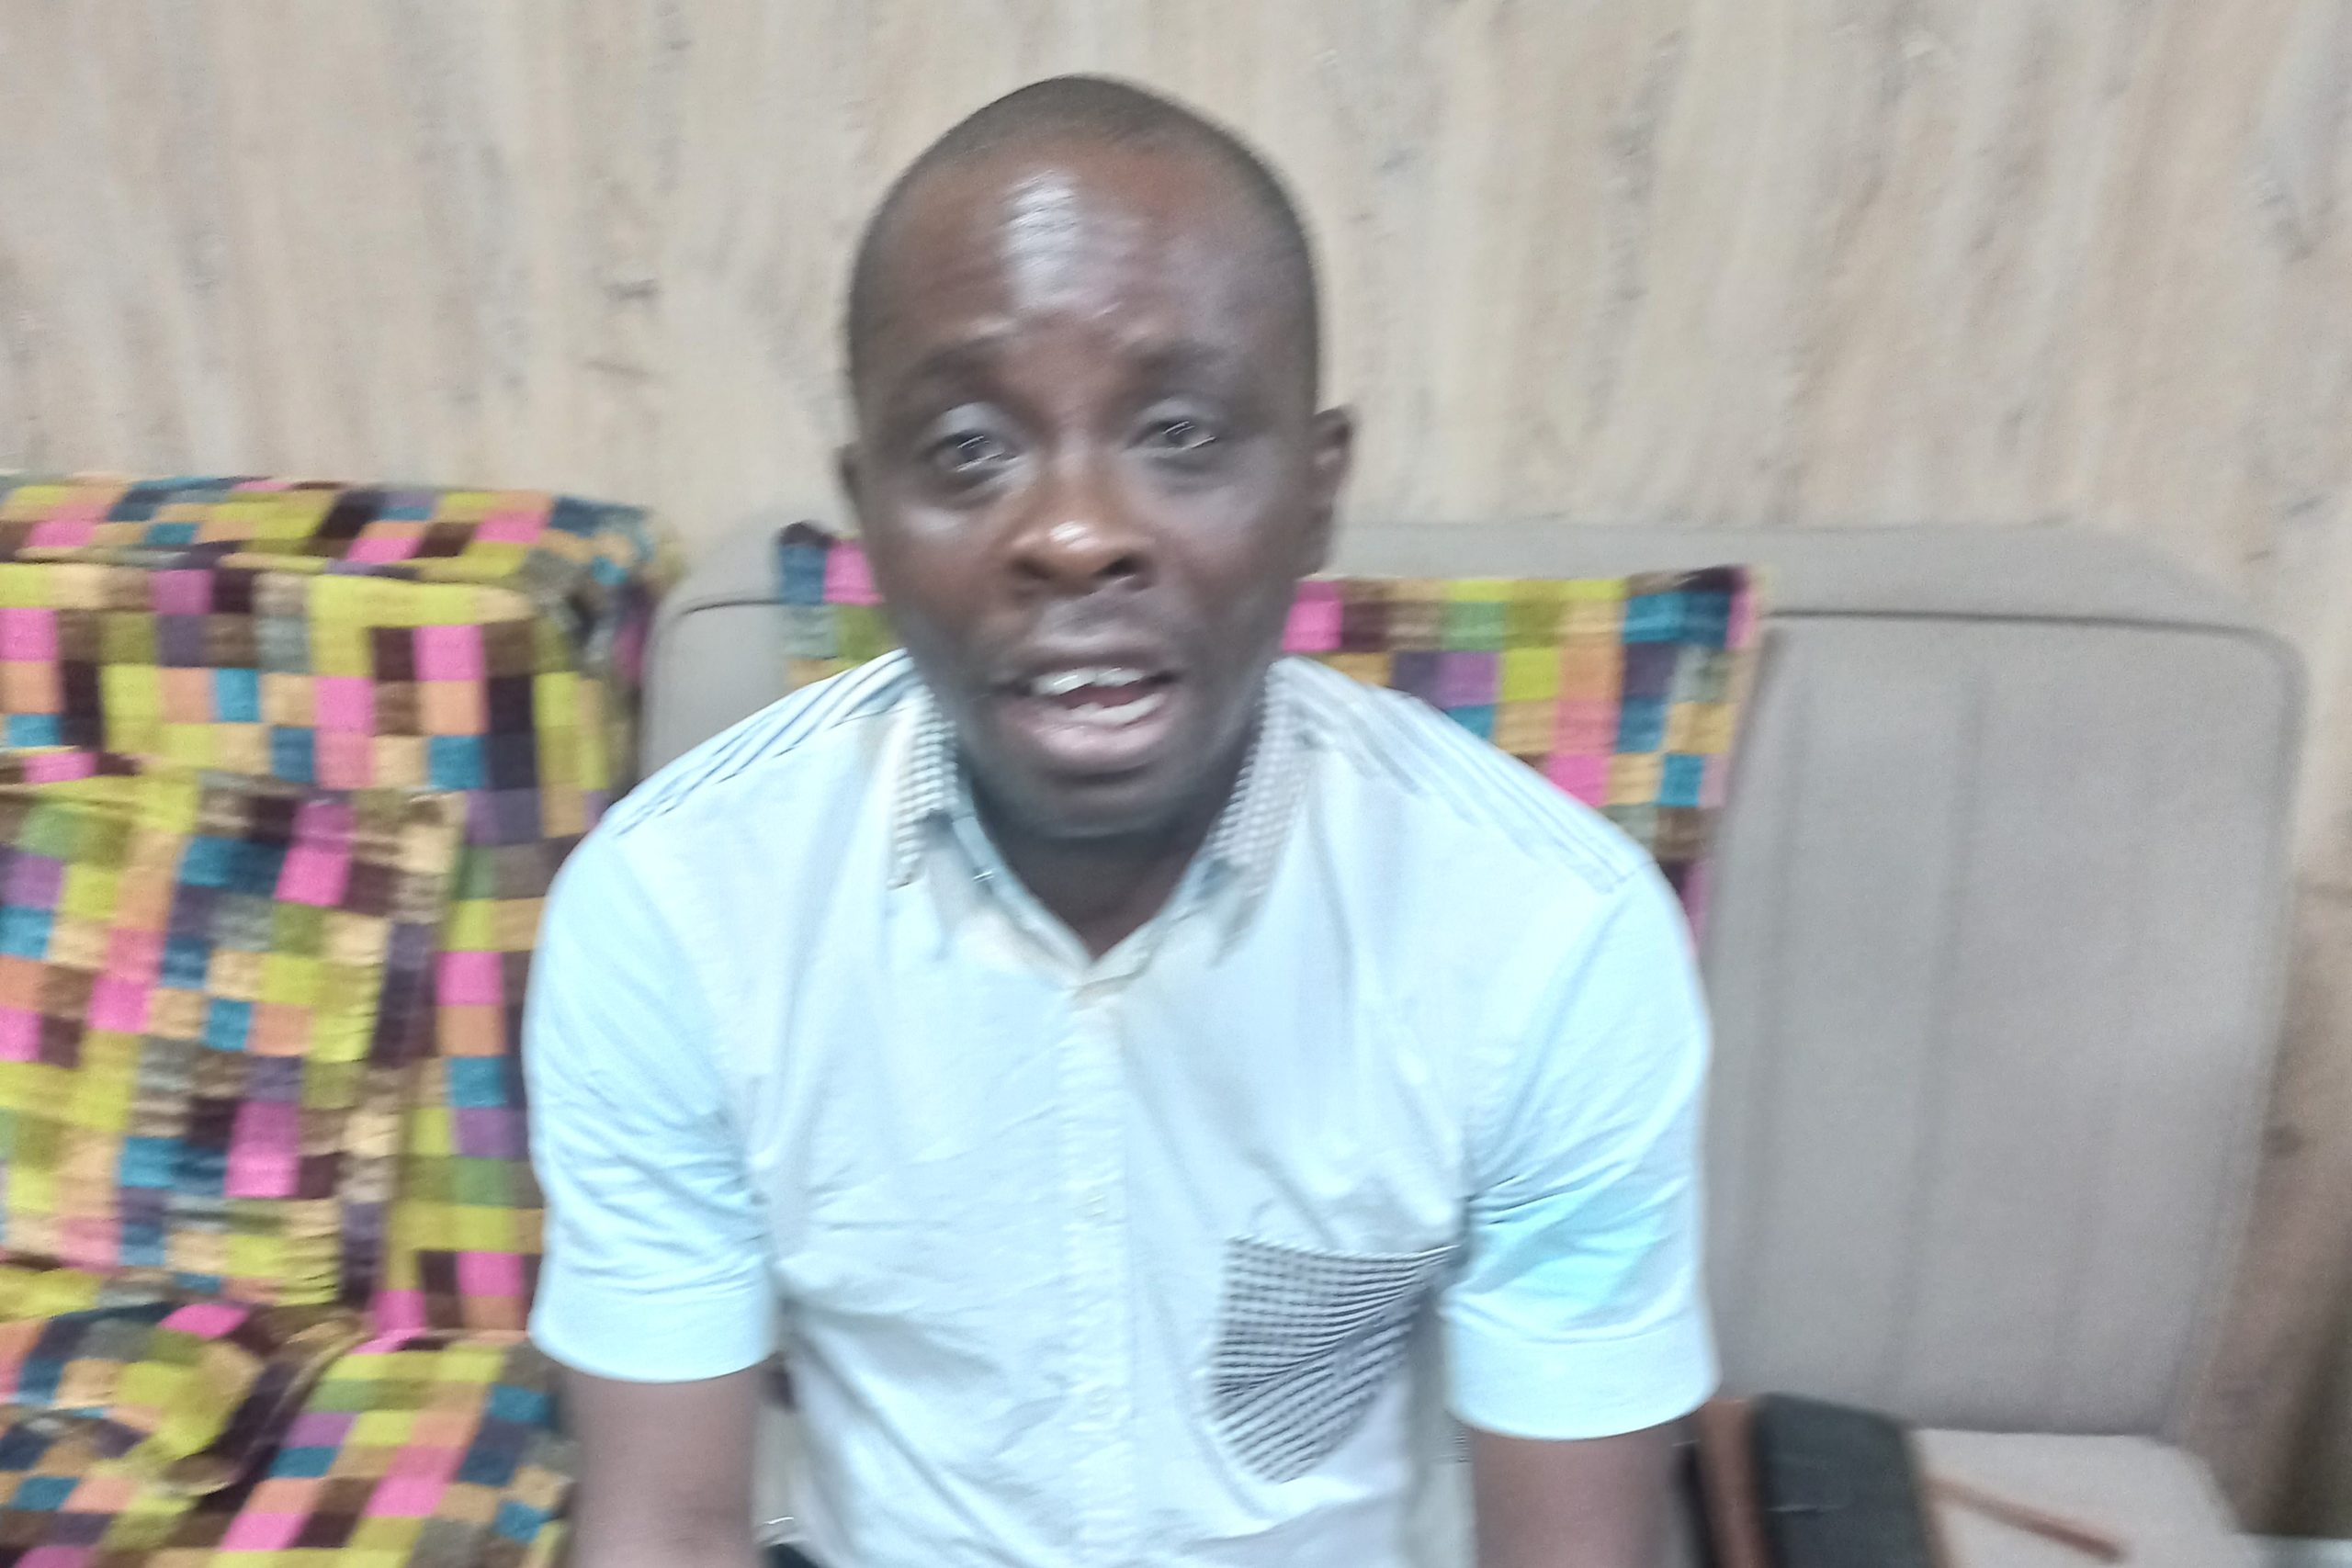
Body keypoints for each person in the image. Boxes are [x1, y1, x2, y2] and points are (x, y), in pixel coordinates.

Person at [525, 74, 1714, 1568]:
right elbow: (668, 1529)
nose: (1076, 534)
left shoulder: (1550, 939)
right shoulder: (676, 914)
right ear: (869, 513)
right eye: (969, 448)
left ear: (1318, 494)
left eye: (1182, 433)